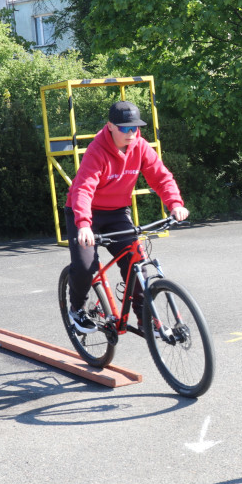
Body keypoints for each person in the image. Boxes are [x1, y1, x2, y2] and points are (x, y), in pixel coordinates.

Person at [64, 100, 189, 334]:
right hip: (84, 213)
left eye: (135, 128)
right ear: (110, 126)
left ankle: (144, 318)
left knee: (137, 263)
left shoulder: (140, 146)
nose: (131, 133)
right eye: (125, 128)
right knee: (85, 266)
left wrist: (175, 204)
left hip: (117, 212)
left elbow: (161, 177)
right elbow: (83, 189)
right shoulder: (96, 150)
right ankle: (77, 309)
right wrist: (83, 224)